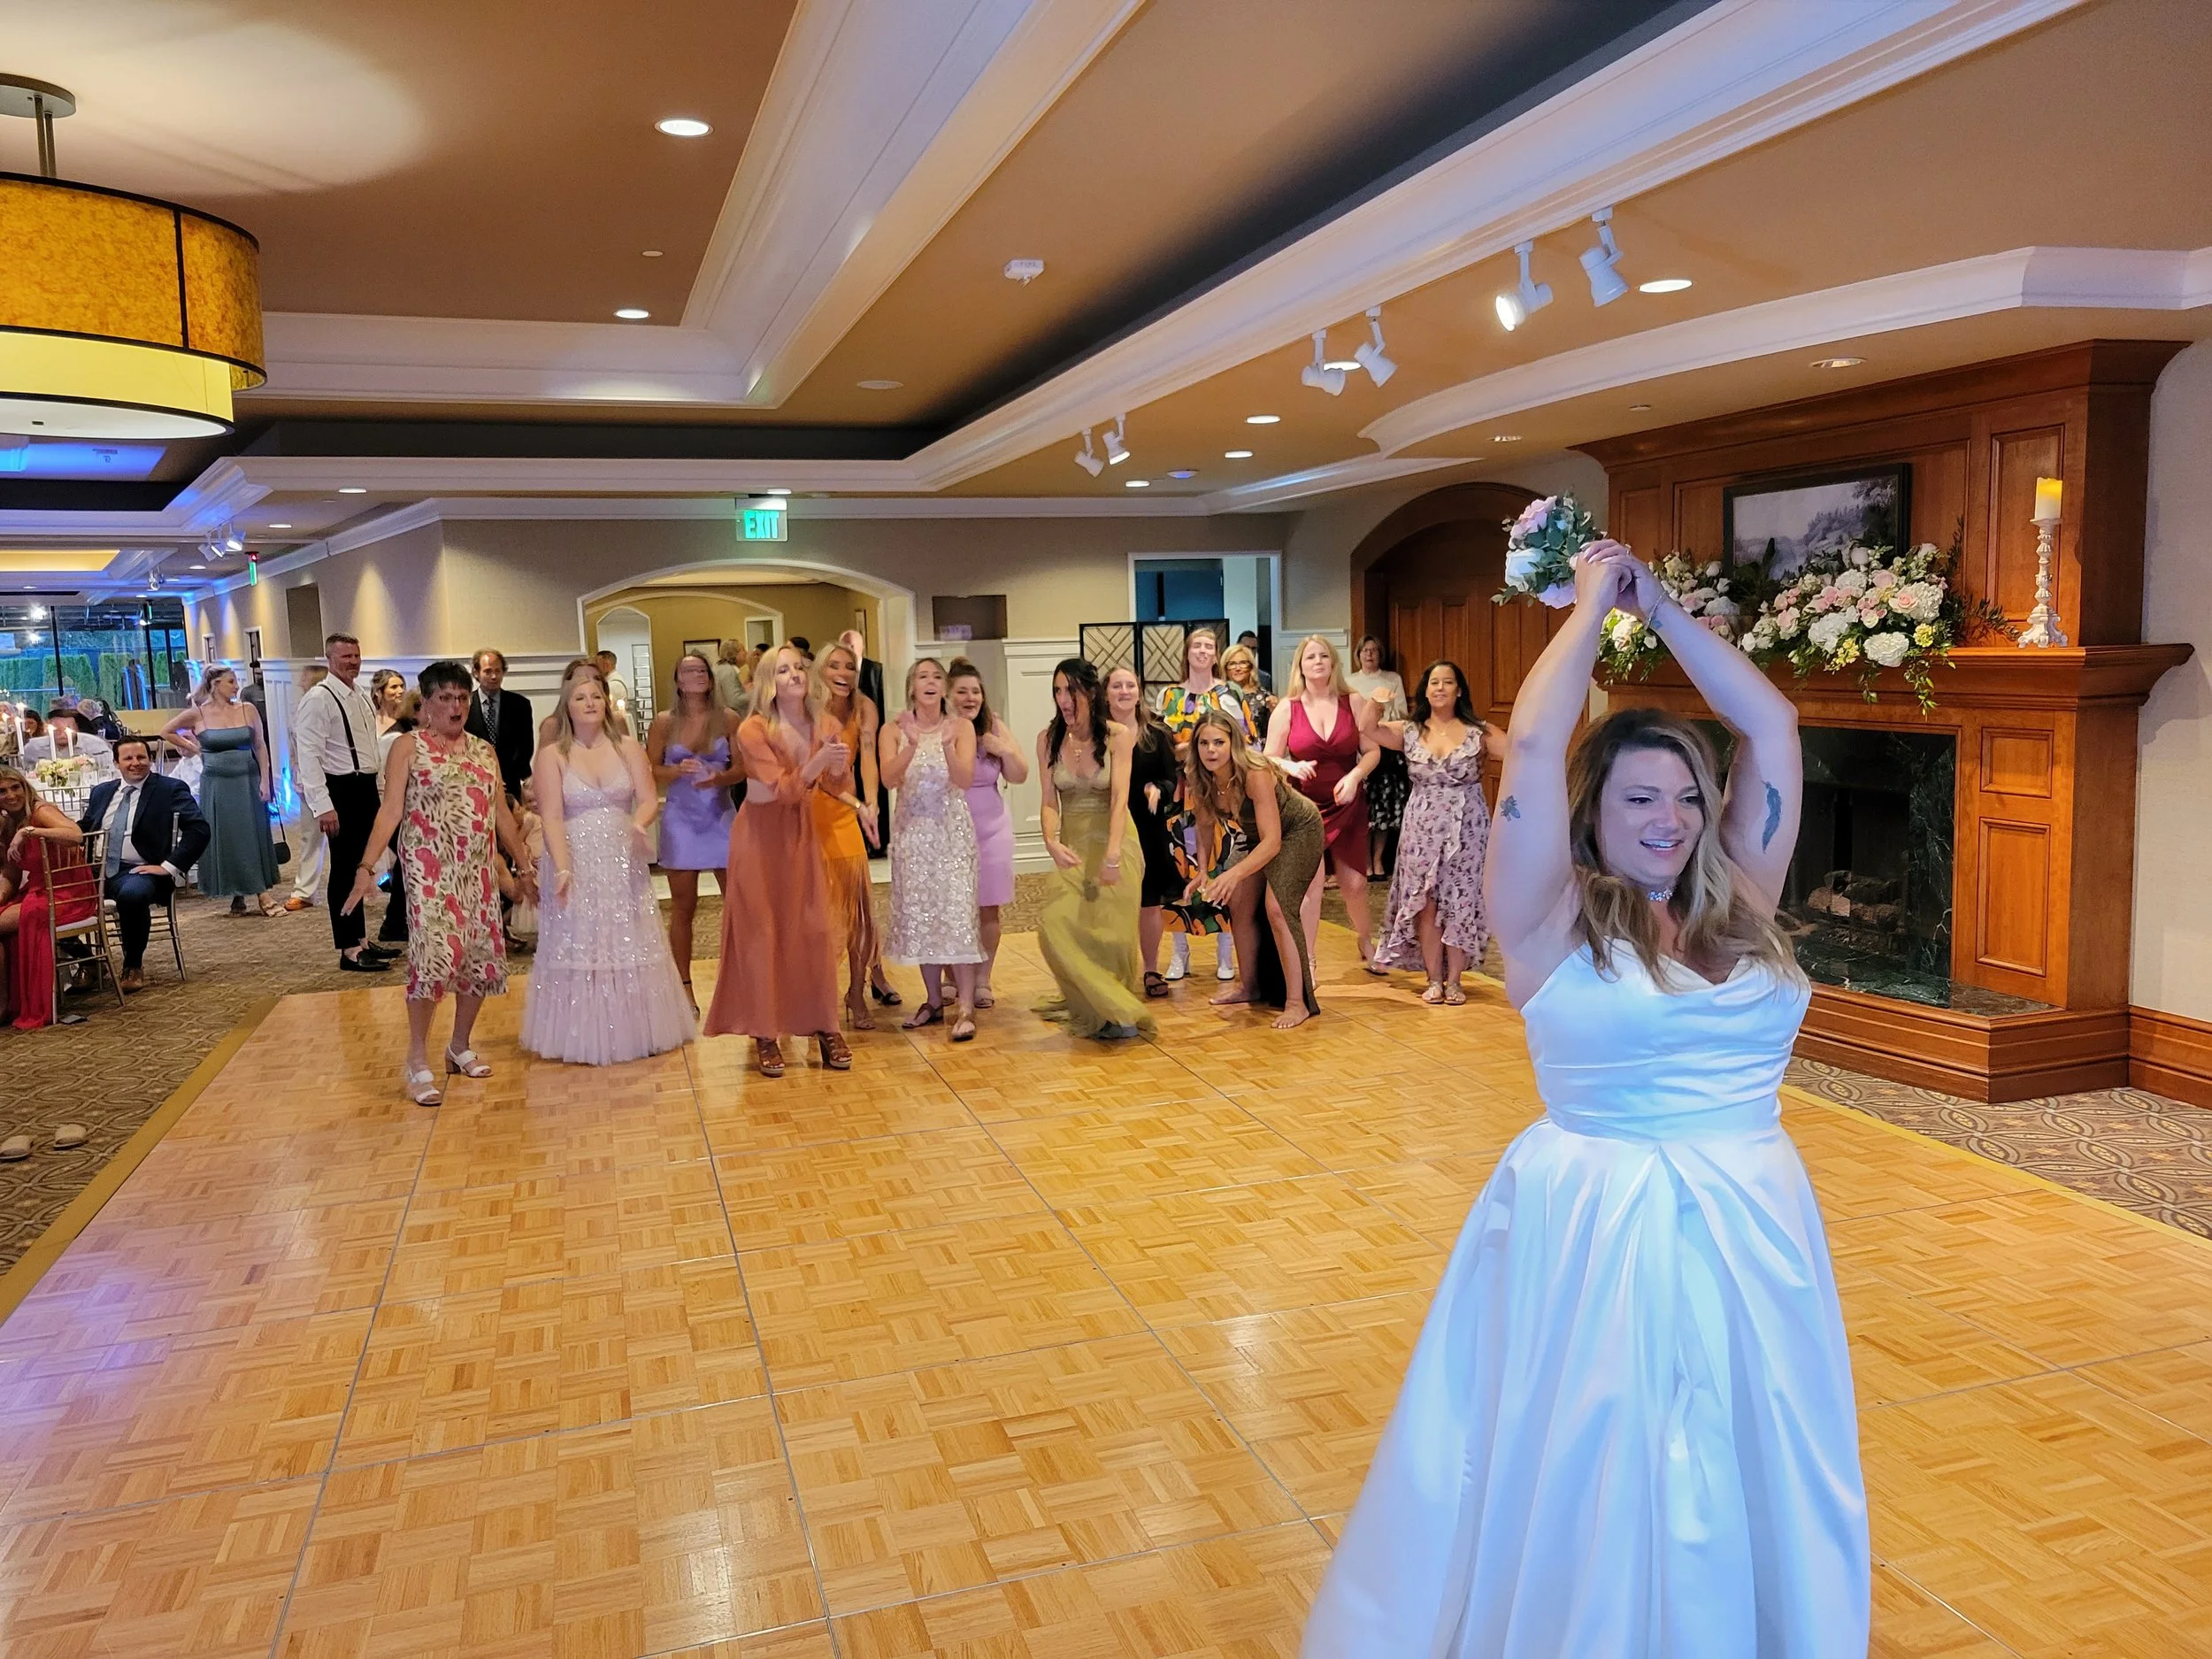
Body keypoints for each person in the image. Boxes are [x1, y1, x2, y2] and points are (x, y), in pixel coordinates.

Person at [1302, 541, 1868, 1656]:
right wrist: (1588, 612)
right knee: (1605, 1467)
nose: (1668, 818)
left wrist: (1660, 611)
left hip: (1755, 1227)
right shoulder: (1548, 918)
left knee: (1750, 1453)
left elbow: (1773, 732)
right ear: (1592, 810)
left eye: (1686, 797)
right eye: (1639, 796)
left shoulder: (1741, 900)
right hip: (1599, 1227)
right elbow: (1540, 742)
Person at [344, 661, 530, 1106]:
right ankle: (416, 1056)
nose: (456, 706)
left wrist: (523, 866)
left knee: (477, 960)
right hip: (430, 875)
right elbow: (390, 811)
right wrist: (366, 867)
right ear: (424, 703)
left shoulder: (484, 751)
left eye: (462, 698)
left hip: (478, 873)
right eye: (445, 698)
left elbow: (500, 812)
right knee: (435, 959)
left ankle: (458, 1046)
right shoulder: (408, 748)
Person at [521, 664, 695, 1065]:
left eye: (596, 697)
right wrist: (562, 868)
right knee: (582, 940)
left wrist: (638, 823)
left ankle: (637, 1030)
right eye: (580, 698)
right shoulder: (553, 755)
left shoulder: (628, 748)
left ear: (607, 703)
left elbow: (649, 798)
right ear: (567, 706)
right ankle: (581, 1034)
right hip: (576, 859)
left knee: (628, 937)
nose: (589, 704)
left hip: (621, 858)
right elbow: (550, 816)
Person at [704, 643, 852, 1079]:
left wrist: (837, 763)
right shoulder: (753, 729)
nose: (794, 675)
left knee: (813, 928)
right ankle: (765, 1032)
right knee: (762, 933)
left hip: (801, 838)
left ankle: (825, 1026)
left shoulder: (823, 722)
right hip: (759, 839)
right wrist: (821, 760)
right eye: (783, 669)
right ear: (769, 682)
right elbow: (784, 790)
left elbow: (834, 782)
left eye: (798, 668)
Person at [1179, 709, 1322, 1029]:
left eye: (1219, 742)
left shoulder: (1255, 772)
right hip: (1258, 835)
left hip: (1297, 830)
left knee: (1277, 908)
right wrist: (1203, 869)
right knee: (1240, 902)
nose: (1211, 750)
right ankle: (1249, 985)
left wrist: (1232, 873)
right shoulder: (1200, 775)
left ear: (1233, 744)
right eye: (1204, 743)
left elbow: (1273, 842)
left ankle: (1297, 1003)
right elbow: (1204, 826)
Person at [1371, 660, 1503, 1003]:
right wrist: (1376, 701)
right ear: (1425, 690)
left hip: (1467, 828)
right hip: (1421, 826)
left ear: (1459, 690)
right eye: (1434, 682)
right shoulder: (1410, 730)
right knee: (1425, 901)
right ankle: (1433, 979)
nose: (1441, 688)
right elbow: (1368, 729)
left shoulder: (1479, 731)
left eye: (1448, 682)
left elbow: (1523, 752)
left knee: (1459, 897)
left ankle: (1455, 980)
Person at [1033, 657, 1150, 1040]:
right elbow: (1049, 800)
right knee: (1055, 925)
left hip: (1117, 840)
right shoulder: (1048, 740)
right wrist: (1051, 841)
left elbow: (1119, 798)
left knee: (1111, 933)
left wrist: (1115, 853)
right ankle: (1095, 1003)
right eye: (1057, 691)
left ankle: (1116, 1010)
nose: (1063, 699)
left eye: (1071, 691)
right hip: (1074, 846)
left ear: (1091, 693)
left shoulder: (1118, 736)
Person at [881, 658, 985, 1041]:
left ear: (944, 688)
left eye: (937, 677)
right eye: (923, 676)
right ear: (911, 686)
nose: (930, 682)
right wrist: (910, 744)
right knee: (922, 917)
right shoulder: (893, 729)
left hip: (952, 834)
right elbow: (889, 779)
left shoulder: (960, 727)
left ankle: (967, 1006)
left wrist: (945, 748)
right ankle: (932, 1000)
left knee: (957, 915)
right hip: (913, 836)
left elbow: (964, 779)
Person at [1267, 634, 1381, 972]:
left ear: (1333, 663)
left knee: (1356, 883)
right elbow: (1268, 757)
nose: (1317, 662)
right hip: (1305, 808)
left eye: (1323, 656)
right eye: (1310, 657)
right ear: (1300, 667)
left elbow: (1372, 751)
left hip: (1347, 802)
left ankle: (1364, 939)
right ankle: (1309, 960)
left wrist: (1355, 776)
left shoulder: (1353, 701)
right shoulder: (1288, 707)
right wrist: (1290, 765)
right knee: (1310, 887)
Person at [75, 738, 208, 995]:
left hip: (141, 869)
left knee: (132, 895)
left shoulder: (169, 789)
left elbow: (199, 830)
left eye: (141, 758)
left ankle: (132, 965)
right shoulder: (102, 792)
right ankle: (88, 961)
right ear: (116, 763)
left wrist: (168, 866)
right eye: (128, 758)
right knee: (43, 898)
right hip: (96, 870)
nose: (135, 763)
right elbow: (86, 826)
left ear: (149, 759)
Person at [647, 651, 741, 1008]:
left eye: (702, 669)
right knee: (684, 906)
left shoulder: (728, 718)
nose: (697, 674)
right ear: (678, 680)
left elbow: (742, 769)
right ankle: (683, 987)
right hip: (681, 819)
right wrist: (677, 772)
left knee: (737, 903)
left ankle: (740, 979)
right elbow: (650, 768)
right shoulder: (663, 722)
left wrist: (721, 776)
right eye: (689, 670)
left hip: (719, 816)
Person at [296, 633, 395, 972]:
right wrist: (322, 804)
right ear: (329, 659)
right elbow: (308, 756)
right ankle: (349, 949)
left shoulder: (360, 696)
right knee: (343, 871)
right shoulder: (318, 699)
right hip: (340, 791)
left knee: (361, 866)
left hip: (364, 787)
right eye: (344, 657)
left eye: (356, 655)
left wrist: (379, 790)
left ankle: (362, 939)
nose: (352, 661)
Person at [1156, 628, 1249, 985]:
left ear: (1216, 655)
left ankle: (1226, 954)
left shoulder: (1230, 693)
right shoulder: (1170, 695)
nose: (1202, 651)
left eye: (1209, 646)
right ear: (1187, 652)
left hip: (1222, 793)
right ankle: (1180, 952)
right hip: (1181, 796)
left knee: (1223, 867)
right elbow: (1161, 748)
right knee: (1182, 872)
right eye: (1196, 645)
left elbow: (1246, 741)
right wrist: (1187, 751)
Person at [160, 665, 281, 917]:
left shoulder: (247, 710)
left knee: (250, 833)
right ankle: (237, 891)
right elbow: (166, 732)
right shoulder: (198, 714)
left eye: (236, 681)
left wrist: (265, 781)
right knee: (226, 836)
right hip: (217, 782)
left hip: (246, 778)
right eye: (231, 681)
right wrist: (194, 749)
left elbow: (259, 745)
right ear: (215, 684)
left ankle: (261, 892)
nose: (236, 686)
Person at [947, 658, 1025, 1009]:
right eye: (962, 691)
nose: (970, 697)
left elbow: (1020, 774)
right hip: (948, 828)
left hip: (991, 827)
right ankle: (951, 977)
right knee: (950, 906)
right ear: (948, 695)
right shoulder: (938, 728)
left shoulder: (993, 726)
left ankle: (982, 978)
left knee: (987, 907)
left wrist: (1004, 749)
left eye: (975, 691)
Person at [1104, 665, 1179, 1000]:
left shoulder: (1157, 733)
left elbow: (1170, 779)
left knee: (1149, 903)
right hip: (1110, 824)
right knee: (1113, 903)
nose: (1124, 691)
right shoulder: (1097, 735)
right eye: (1116, 686)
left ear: (1139, 691)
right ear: (1105, 693)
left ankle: (1151, 968)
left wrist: (1157, 790)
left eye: (1129, 685)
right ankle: (1114, 970)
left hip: (1148, 825)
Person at [1, 765, 91, 1026]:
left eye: (15, 787)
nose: (11, 795)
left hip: (68, 891)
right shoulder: (8, 823)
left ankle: (6, 1003)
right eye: (2, 791)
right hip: (38, 890)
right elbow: (11, 875)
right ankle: (7, 1000)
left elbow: (76, 835)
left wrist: (29, 831)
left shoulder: (41, 811)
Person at [1349, 634, 1411, 879]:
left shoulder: (1392, 679)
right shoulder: (1349, 681)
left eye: (1374, 650)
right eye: (1365, 650)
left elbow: (1404, 713)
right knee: (1366, 811)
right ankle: (1364, 861)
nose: (1369, 654)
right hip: (1361, 750)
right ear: (1358, 654)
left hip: (1388, 748)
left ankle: (1378, 861)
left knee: (1385, 809)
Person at [367, 669, 419, 949]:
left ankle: (397, 921)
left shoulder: (406, 734)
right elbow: (388, 779)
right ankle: (395, 922)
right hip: (393, 804)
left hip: (407, 806)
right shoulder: (393, 739)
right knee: (407, 861)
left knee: (405, 863)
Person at [283, 663, 333, 912]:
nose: (299, 680)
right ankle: (305, 890)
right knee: (310, 835)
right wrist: (296, 777)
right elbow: (294, 748)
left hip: (329, 780)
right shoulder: (297, 708)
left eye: (304, 676)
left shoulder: (323, 708)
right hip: (303, 780)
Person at [464, 649, 534, 800]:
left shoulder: (520, 705)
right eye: (488, 671)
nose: (494, 676)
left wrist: (508, 774)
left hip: (510, 784)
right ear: (476, 673)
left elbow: (526, 746)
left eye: (498, 671)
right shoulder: (465, 705)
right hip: (473, 783)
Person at [17, 707, 112, 769]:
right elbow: (26, 771)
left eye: (67, 730)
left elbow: (109, 771)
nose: (62, 735)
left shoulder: (96, 745)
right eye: (57, 731)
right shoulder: (34, 747)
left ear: (77, 728)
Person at [1221, 641, 1275, 732]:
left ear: (1250, 666)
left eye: (1243, 663)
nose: (1238, 668)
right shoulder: (1218, 696)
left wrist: (1274, 709)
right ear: (1226, 668)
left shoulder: (1265, 697)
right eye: (1232, 664)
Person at [593, 649, 634, 731]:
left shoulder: (613, 685)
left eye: (597, 664)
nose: (596, 669)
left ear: (606, 665)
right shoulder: (610, 682)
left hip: (615, 726)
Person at [713, 640, 749, 713]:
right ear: (734, 654)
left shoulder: (721, 668)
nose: (746, 653)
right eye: (743, 650)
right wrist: (757, 694)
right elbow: (735, 701)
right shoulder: (728, 671)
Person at [1234, 629, 1273, 693]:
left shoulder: (1264, 678)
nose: (1250, 651)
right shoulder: (1227, 673)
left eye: (1253, 648)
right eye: (1246, 647)